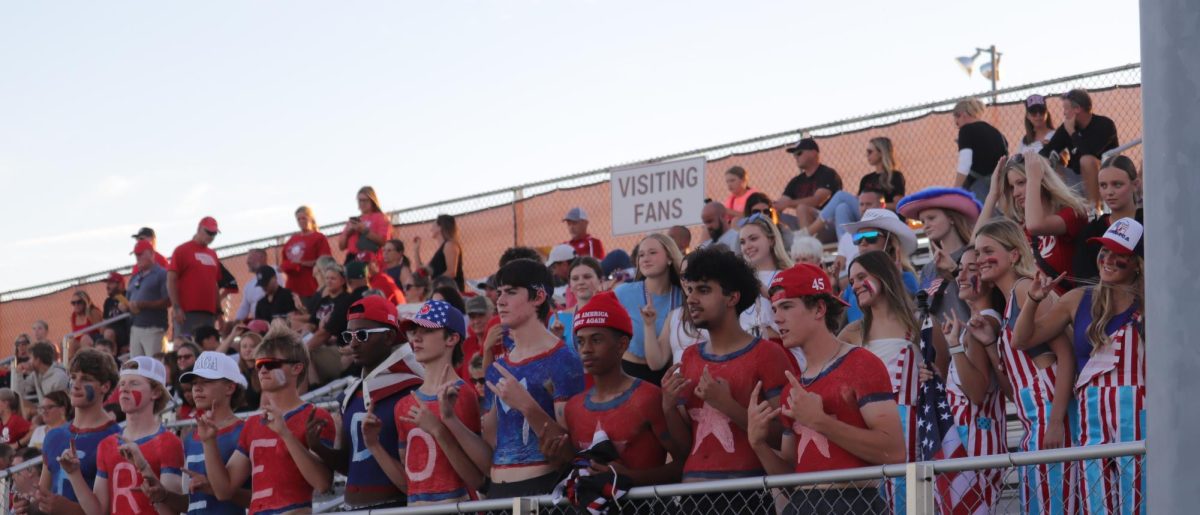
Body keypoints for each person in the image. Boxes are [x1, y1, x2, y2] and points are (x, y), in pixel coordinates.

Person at [1012, 218, 1144, 515]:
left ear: (1137, 263)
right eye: (1103, 251)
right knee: (1097, 505)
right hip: (1093, 419)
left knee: (1140, 504)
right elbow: (1022, 339)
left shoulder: (1151, 303)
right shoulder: (1077, 299)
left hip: (1137, 418)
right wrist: (1034, 299)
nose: (1107, 259)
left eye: (1118, 253)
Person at [748, 263, 903, 514]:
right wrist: (759, 445)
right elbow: (790, 481)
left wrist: (820, 422)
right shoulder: (793, 388)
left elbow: (894, 452)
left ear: (819, 309)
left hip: (855, 504)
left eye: (787, 306)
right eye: (774, 309)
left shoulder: (861, 364)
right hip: (803, 506)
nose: (777, 318)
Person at [660, 246, 794, 513]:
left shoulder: (767, 354)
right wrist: (668, 407)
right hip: (692, 494)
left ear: (732, 297)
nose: (692, 299)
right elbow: (686, 446)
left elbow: (783, 436)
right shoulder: (689, 357)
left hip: (746, 494)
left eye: (704, 290)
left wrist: (727, 405)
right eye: (690, 290)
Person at [975, 218, 1077, 514]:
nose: (981, 260)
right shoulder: (1010, 300)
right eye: (978, 253)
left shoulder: (1023, 290)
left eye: (987, 251)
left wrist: (1056, 420)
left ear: (1014, 254)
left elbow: (1066, 355)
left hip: (1049, 413)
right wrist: (990, 346)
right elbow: (1014, 383)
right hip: (1033, 418)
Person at [461, 258, 585, 498]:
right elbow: (492, 446)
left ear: (538, 297)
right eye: (499, 293)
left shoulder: (563, 359)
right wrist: (448, 423)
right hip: (498, 492)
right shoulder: (498, 368)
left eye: (511, 292)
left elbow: (571, 450)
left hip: (541, 490)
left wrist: (526, 405)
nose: (500, 301)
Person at [541, 291, 685, 488]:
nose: (586, 349)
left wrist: (629, 478)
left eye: (596, 340)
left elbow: (683, 465)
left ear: (622, 345)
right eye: (581, 341)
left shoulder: (647, 398)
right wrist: (557, 461)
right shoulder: (573, 408)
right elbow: (582, 470)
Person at [201, 324, 337, 514]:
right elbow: (224, 490)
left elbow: (322, 483)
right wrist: (209, 442)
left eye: (271, 364)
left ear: (297, 368)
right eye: (259, 364)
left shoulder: (315, 416)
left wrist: (286, 434)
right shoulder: (253, 423)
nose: (263, 370)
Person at [366, 299, 484, 505]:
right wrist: (373, 445)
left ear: (452, 338)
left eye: (427, 331)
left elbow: (477, 479)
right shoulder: (404, 405)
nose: (416, 337)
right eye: (414, 330)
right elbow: (410, 484)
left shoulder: (462, 395)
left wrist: (438, 429)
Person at [310, 295, 423, 509]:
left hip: (395, 508)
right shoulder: (352, 393)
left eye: (362, 335)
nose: (353, 343)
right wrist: (318, 447)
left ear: (389, 337)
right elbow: (349, 465)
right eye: (348, 335)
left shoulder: (412, 388)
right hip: (352, 508)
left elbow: (419, 476)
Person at [837, 251, 923, 513]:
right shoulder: (853, 332)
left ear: (883, 276)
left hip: (914, 435)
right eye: (851, 281)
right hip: (872, 435)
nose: (855, 285)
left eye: (862, 276)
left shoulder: (920, 325)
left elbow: (940, 382)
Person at [934, 246, 1008, 514]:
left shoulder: (984, 323)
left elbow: (976, 392)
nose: (961, 276)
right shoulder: (977, 321)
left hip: (974, 445)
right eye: (960, 269)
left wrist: (954, 347)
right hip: (971, 443)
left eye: (971, 270)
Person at [63, 356, 185, 515]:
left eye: (134, 383)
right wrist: (74, 474)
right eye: (122, 384)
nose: (124, 389)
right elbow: (98, 512)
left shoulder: (169, 442)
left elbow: (169, 512)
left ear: (155, 392)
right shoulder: (107, 444)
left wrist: (143, 468)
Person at [19, 349, 122, 515]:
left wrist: (67, 510)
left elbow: (114, 508)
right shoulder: (54, 436)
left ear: (105, 386)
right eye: (73, 377)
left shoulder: (115, 439)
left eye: (86, 379)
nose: (76, 384)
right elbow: (44, 499)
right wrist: (28, 506)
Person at [984, 151, 1089, 294]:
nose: (1015, 193)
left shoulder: (1072, 213)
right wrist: (993, 195)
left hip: (1068, 307)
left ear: (1041, 179)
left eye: (1021, 183)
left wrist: (1034, 179)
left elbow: (1036, 225)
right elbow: (977, 243)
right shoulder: (1022, 229)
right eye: (1012, 187)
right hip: (1035, 308)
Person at [179, 351, 251, 515]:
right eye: (194, 383)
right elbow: (191, 501)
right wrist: (162, 495)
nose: (197, 387)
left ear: (230, 387)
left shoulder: (244, 431)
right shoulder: (190, 437)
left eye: (206, 381)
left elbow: (258, 498)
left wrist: (213, 488)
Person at [897, 187, 983, 322]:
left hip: (969, 336)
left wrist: (954, 270)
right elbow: (920, 311)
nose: (925, 226)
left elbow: (980, 299)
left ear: (951, 218)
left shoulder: (974, 255)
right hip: (939, 340)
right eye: (923, 222)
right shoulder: (928, 269)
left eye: (931, 218)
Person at [614, 234, 685, 384]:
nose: (645, 259)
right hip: (628, 372)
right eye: (641, 255)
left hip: (670, 375)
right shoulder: (623, 293)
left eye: (653, 253)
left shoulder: (684, 295)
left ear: (670, 258)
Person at [807, 137, 907, 238]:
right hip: (865, 215)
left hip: (884, 216)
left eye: (870, 151)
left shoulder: (894, 176)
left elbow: (898, 205)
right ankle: (846, 242)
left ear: (881, 152)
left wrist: (878, 205)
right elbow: (859, 202)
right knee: (842, 207)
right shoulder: (866, 178)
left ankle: (809, 232)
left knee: (840, 196)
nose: (867, 155)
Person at [1040, 89, 1120, 212]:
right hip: (1076, 178)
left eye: (1066, 109)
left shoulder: (1104, 125)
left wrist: (1073, 133)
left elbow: (1090, 153)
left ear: (1077, 109)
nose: (1064, 113)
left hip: (1102, 178)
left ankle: (1095, 210)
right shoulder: (1066, 127)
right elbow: (1047, 150)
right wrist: (1045, 159)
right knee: (1045, 162)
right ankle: (1059, 209)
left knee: (1086, 160)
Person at [840, 209, 920, 323]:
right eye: (858, 238)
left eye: (871, 236)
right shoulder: (853, 284)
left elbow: (911, 317)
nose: (863, 242)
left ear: (890, 243)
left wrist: (895, 279)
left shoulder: (906, 278)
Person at [1073, 155, 1143, 283]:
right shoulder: (1092, 230)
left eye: (1117, 184)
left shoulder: (1149, 222)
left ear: (1135, 184)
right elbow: (1083, 280)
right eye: (1103, 186)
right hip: (1103, 299)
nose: (1109, 192)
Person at [737, 213, 794, 341]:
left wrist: (768, 294)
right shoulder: (739, 282)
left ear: (771, 240)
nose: (747, 246)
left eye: (753, 238)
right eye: (742, 242)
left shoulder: (787, 275)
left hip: (781, 350)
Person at [168, 216, 222, 338]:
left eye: (214, 233)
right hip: (187, 313)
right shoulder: (182, 250)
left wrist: (219, 312)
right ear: (199, 229)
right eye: (208, 232)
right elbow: (171, 279)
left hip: (209, 313)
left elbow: (215, 284)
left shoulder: (213, 254)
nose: (211, 236)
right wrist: (176, 307)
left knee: (206, 350)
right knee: (186, 347)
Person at [775, 137, 844, 231]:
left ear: (813, 153)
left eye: (799, 153)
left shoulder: (827, 173)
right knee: (773, 215)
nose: (796, 157)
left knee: (802, 209)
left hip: (828, 223)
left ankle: (806, 243)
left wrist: (788, 203)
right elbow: (781, 203)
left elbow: (817, 200)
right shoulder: (796, 181)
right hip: (805, 224)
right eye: (794, 155)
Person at [951, 99, 1008, 203]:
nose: (958, 127)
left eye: (957, 123)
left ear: (962, 115)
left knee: (982, 215)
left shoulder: (966, 130)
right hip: (1002, 181)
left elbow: (965, 164)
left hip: (980, 185)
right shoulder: (996, 132)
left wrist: (955, 190)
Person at [548, 257, 605, 356]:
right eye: (575, 278)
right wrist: (555, 340)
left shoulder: (611, 314)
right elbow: (551, 361)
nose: (581, 282)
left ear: (600, 280)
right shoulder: (558, 319)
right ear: (570, 284)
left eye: (587, 277)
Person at [125, 240, 171, 358]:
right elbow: (128, 298)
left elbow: (168, 301)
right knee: (137, 367)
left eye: (140, 254)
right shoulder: (136, 276)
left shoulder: (161, 274)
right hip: (135, 328)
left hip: (153, 328)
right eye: (136, 254)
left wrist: (143, 304)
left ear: (151, 253)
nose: (137, 257)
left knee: (155, 366)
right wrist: (124, 305)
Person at [280, 206, 332, 298]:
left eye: (303, 218)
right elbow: (284, 260)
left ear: (311, 218)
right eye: (298, 219)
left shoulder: (319, 238)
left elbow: (325, 261)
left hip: (311, 286)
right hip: (293, 287)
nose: (301, 221)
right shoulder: (292, 239)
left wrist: (302, 263)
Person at [339, 186, 392, 263]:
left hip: (371, 258)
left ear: (372, 201)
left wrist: (365, 231)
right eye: (359, 200)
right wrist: (348, 233)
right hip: (351, 258)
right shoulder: (353, 221)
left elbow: (384, 242)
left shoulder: (380, 217)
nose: (362, 203)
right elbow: (341, 246)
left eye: (365, 200)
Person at [417, 214, 465, 291]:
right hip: (440, 291)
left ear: (440, 227)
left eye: (433, 226)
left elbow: (451, 272)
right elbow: (422, 272)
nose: (431, 229)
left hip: (450, 291)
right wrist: (416, 250)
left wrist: (433, 283)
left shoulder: (450, 245)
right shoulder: (441, 249)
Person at [458, 295, 496, 382]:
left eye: (481, 315)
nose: (476, 321)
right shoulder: (466, 344)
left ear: (493, 314)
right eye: (472, 317)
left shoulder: (501, 343)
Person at [233, 249, 271, 323]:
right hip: (257, 323)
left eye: (250, 258)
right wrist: (235, 323)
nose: (247, 262)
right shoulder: (249, 285)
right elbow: (244, 308)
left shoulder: (274, 273)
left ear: (262, 257)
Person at [101, 272, 132, 352]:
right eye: (107, 283)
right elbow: (104, 323)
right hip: (111, 336)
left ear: (120, 284)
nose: (107, 286)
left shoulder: (127, 295)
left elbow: (129, 310)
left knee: (108, 332)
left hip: (126, 334)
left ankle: (111, 357)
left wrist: (118, 296)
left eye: (111, 283)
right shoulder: (108, 301)